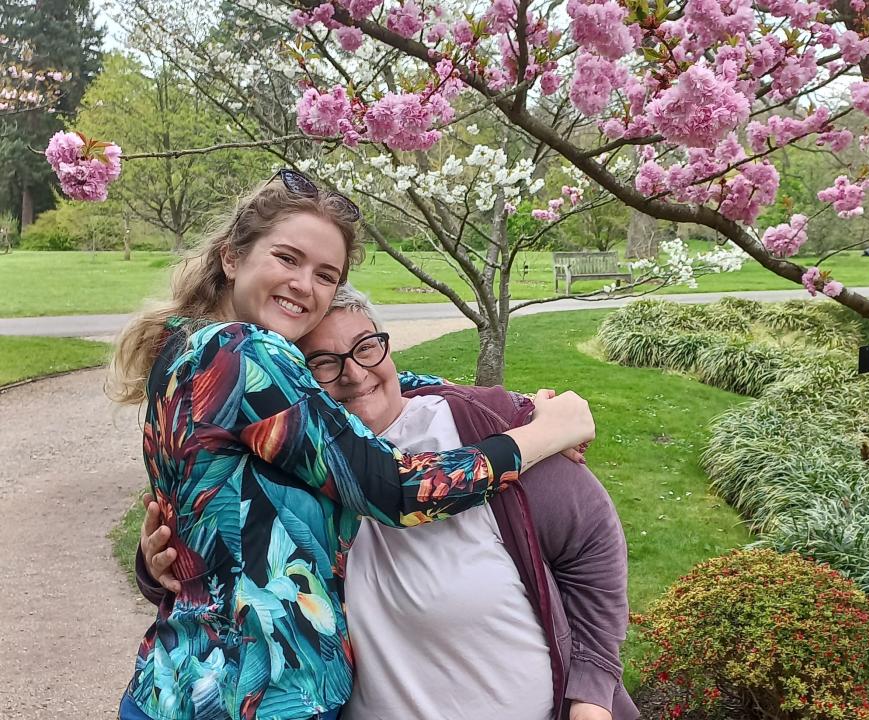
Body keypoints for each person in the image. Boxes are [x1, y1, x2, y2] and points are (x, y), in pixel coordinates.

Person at [110, 169, 595, 720]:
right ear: (231, 257)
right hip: (245, 701)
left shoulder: (187, 346)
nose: (304, 285)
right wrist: (540, 434)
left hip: (181, 683)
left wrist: (515, 404)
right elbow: (394, 488)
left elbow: (356, 388)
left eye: (325, 274)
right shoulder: (242, 351)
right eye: (287, 258)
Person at [138, 285, 640, 720]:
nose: (354, 374)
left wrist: (592, 692)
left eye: (367, 348)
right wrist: (156, 561)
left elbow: (591, 543)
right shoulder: (282, 465)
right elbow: (229, 563)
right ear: (297, 384)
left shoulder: (486, 425)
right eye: (324, 363)